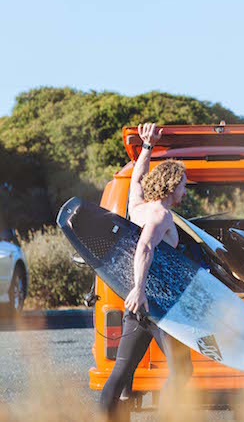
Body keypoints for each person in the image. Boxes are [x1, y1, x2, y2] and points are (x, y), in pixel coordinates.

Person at [100, 123, 193, 420]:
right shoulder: (161, 214)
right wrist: (140, 289)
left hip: (139, 306)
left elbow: (138, 178)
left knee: (121, 372)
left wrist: (147, 147)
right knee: (183, 371)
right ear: (171, 185)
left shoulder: (139, 206)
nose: (185, 191)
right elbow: (145, 248)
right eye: (183, 185)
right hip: (158, 304)